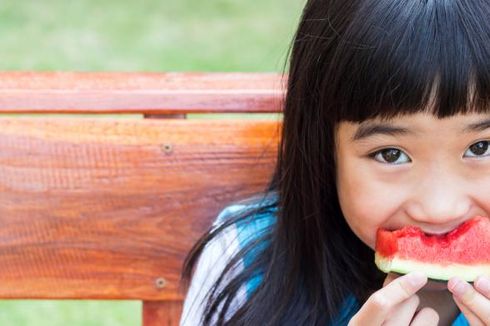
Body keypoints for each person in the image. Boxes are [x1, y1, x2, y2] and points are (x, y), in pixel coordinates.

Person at [179, 0, 490, 324]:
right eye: (390, 154)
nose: (440, 208)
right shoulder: (243, 260)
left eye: (482, 147)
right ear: (323, 149)